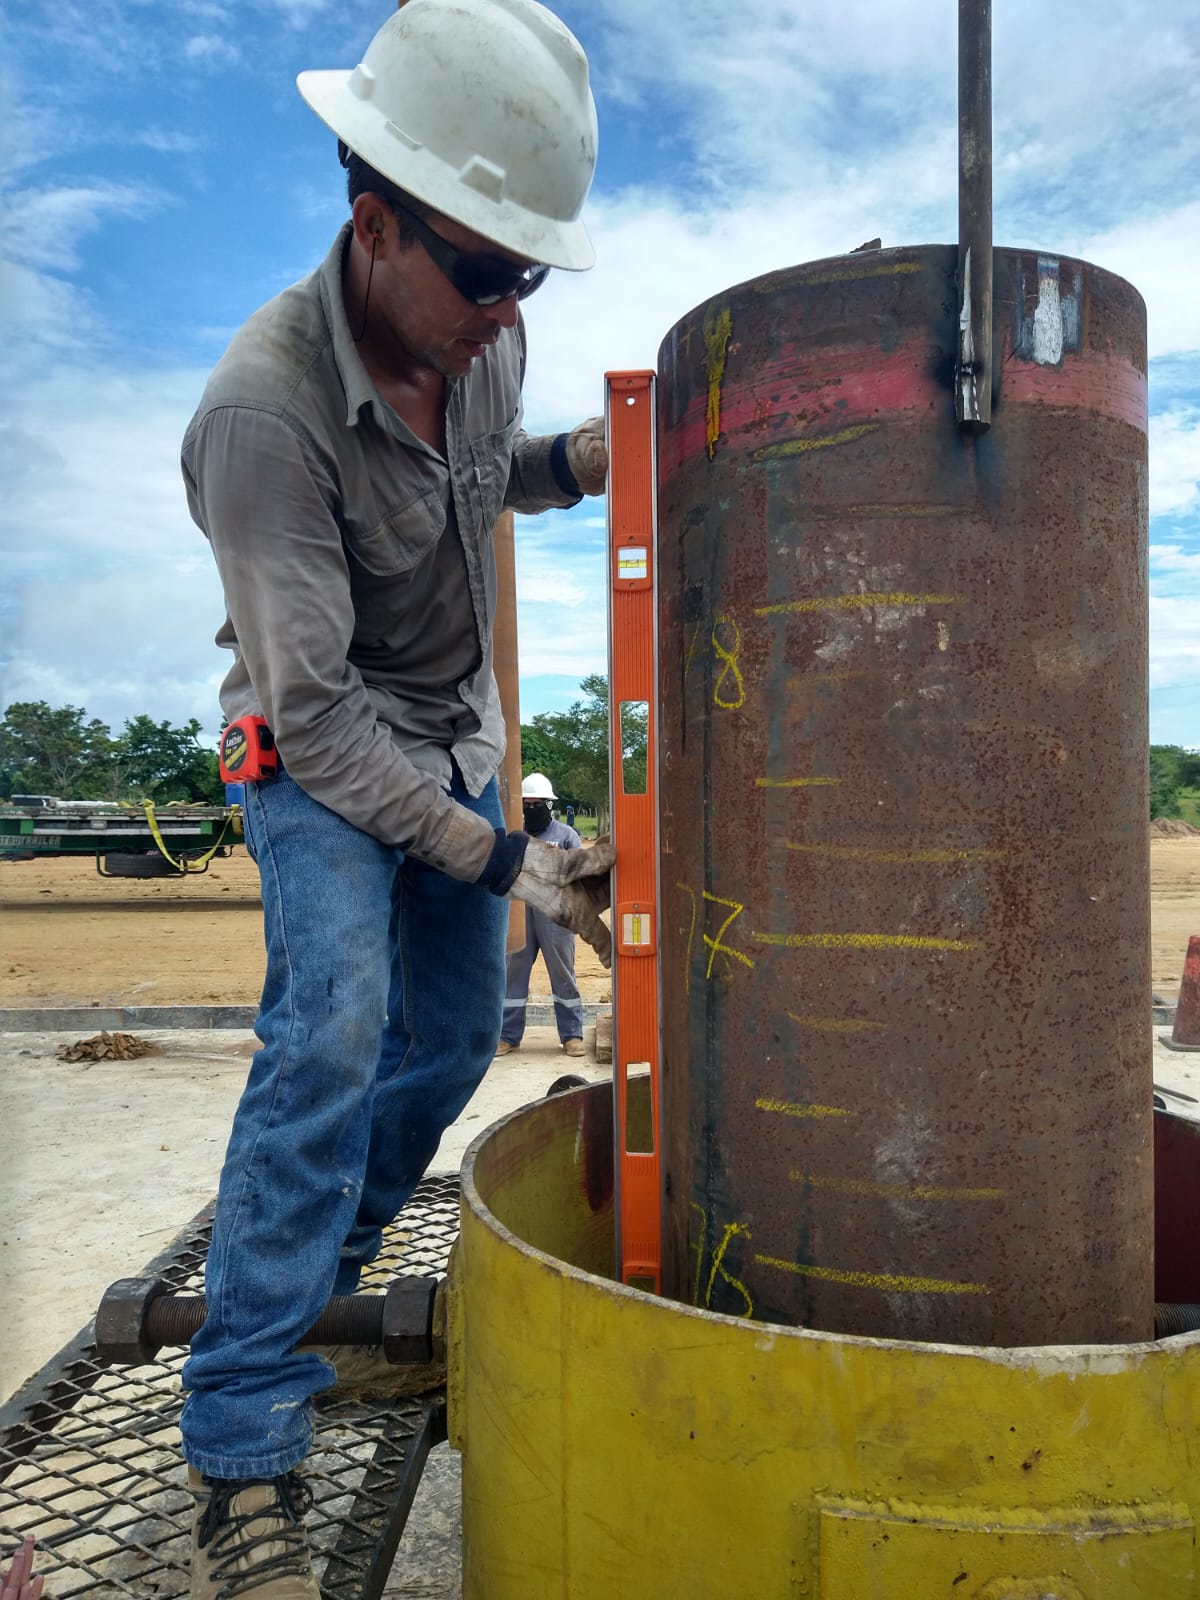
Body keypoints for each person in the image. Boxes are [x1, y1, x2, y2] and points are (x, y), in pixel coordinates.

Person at [177, 3, 614, 1594]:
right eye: (490, 274)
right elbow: (321, 718)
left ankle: (326, 1286)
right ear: (376, 227)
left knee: (451, 1038)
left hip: (453, 734)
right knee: (334, 1029)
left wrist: (602, 456)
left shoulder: (483, 338)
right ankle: (241, 1440)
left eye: (532, 276)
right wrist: (507, 860)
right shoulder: (261, 416)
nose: (513, 309)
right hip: (317, 749)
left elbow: (493, 486)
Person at [496, 773, 586, 1058]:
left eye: (537, 804)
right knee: (514, 974)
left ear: (549, 805)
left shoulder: (566, 837)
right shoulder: (514, 834)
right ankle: (508, 1036)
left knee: (562, 974)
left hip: (555, 916)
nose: (531, 809)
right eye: (527, 803)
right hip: (520, 912)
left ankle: (572, 1035)